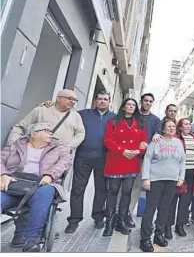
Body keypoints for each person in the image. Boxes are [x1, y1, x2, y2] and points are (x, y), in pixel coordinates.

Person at [1, 123, 72, 252]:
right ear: (33, 133)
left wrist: (50, 175)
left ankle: (31, 241)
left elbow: (65, 161)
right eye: (46, 130)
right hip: (14, 183)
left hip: (41, 184)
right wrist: (3, 174)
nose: (50, 133)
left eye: (51, 131)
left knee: (45, 193)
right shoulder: (15, 144)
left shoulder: (58, 147)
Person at [65, 90, 116, 234]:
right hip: (83, 157)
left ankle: (98, 217)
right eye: (100, 99)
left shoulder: (114, 118)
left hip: (103, 158)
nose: (102, 101)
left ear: (109, 102)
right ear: (95, 101)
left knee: (101, 189)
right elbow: (65, 114)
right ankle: (74, 220)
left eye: (105, 99)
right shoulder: (82, 114)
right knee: (77, 189)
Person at [103, 98, 147, 237]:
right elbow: (108, 141)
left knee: (127, 192)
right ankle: (109, 223)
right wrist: (122, 150)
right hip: (116, 159)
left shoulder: (140, 122)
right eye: (129, 104)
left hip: (131, 161)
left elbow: (143, 142)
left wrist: (139, 151)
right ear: (123, 107)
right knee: (113, 191)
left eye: (134, 105)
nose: (131, 106)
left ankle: (121, 221)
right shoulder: (113, 121)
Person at [139, 120, 186, 252]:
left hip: (171, 180)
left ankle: (159, 235)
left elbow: (183, 161)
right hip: (155, 180)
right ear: (163, 129)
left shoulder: (178, 143)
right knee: (150, 209)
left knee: (165, 208)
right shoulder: (156, 142)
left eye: (173, 126)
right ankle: (145, 238)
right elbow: (147, 159)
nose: (171, 128)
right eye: (168, 126)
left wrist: (181, 177)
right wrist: (146, 178)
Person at [126, 93, 163, 229]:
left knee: (136, 186)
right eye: (145, 100)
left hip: (143, 158)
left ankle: (128, 213)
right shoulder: (132, 115)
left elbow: (157, 138)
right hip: (126, 155)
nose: (147, 103)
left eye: (150, 101)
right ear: (141, 101)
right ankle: (117, 212)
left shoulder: (156, 120)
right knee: (123, 186)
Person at [7, 89, 85, 151]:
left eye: (75, 100)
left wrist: (68, 147)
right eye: (69, 98)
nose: (73, 102)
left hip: (58, 157)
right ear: (58, 98)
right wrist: (12, 144)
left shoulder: (76, 116)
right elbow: (20, 127)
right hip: (35, 153)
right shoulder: (41, 110)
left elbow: (80, 134)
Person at [167, 118, 194, 238]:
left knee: (185, 201)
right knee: (172, 201)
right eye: (186, 124)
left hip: (192, 173)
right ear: (180, 127)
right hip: (178, 173)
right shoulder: (175, 137)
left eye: (189, 124)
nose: (188, 126)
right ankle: (168, 227)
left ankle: (179, 225)